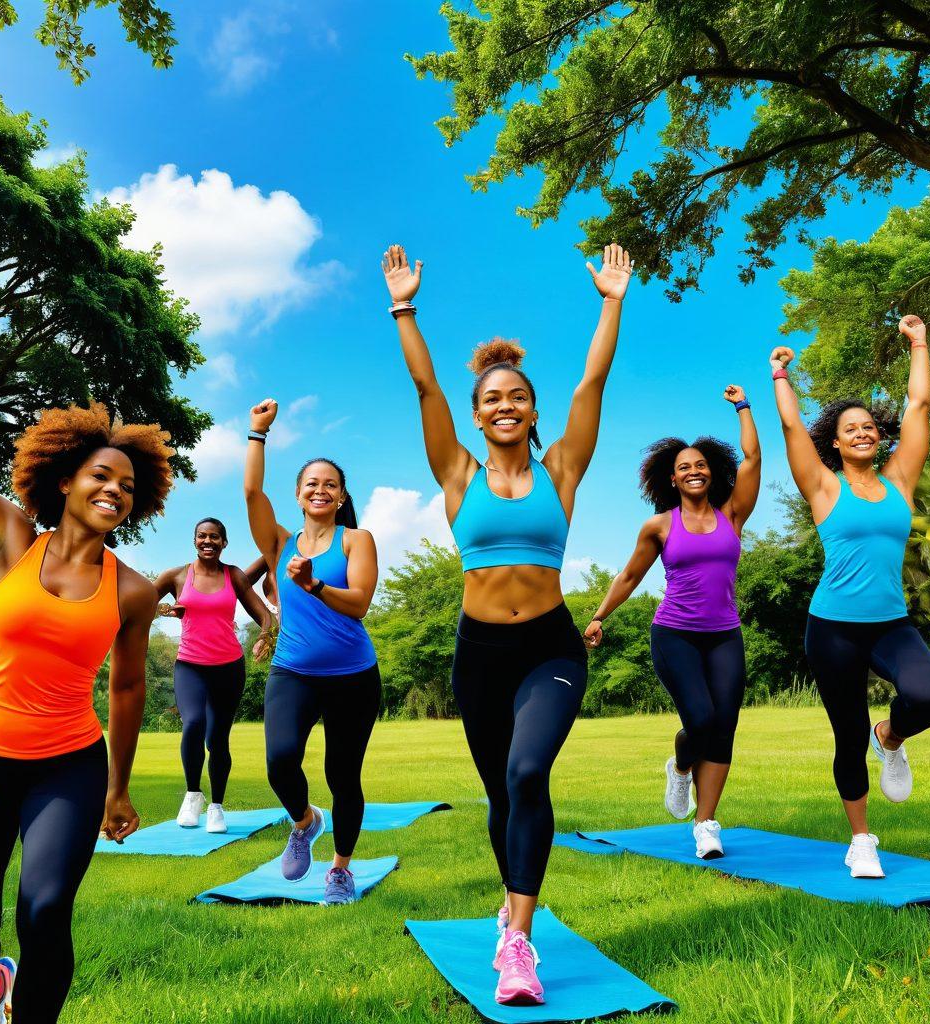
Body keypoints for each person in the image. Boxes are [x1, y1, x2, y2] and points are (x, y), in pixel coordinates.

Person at [381, 242, 631, 1006]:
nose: (503, 406)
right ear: (478, 411)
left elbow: (592, 382)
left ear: (530, 407)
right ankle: (510, 904)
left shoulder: (561, 470)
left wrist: (611, 301)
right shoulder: (457, 474)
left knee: (528, 774)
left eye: (516, 396)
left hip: (549, 646)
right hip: (480, 653)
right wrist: (404, 308)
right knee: (500, 794)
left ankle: (519, 943)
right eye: (490, 398)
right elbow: (426, 386)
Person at [0, 399, 170, 1022]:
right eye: (101, 475)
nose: (114, 490)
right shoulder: (7, 536)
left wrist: (118, 789)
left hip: (66, 767)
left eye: (127, 485)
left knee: (44, 912)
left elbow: (126, 691)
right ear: (66, 479)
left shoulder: (132, 590)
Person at [770, 314, 930, 879]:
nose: (864, 431)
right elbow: (795, 432)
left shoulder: (900, 481)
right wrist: (779, 379)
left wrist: (920, 344)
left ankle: (890, 736)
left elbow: (918, 408)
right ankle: (862, 839)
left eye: (870, 425)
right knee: (846, 734)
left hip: (891, 623)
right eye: (851, 428)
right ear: (837, 442)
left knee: (928, 697)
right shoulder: (823, 486)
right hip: (833, 627)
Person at [584, 387, 761, 858]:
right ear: (673, 478)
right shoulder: (659, 526)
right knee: (700, 720)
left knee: (723, 726)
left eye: (700, 464)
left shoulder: (732, 514)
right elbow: (630, 575)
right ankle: (681, 765)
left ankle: (706, 824)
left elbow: (753, 456)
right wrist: (600, 615)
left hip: (725, 634)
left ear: (711, 471)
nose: (694, 470)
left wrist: (743, 408)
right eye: (684, 466)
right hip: (675, 633)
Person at [244, 428, 380, 907]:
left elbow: (360, 604)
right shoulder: (280, 544)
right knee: (280, 762)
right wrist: (257, 433)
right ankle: (304, 822)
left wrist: (313, 584)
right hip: (293, 672)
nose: (320, 490)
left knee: (344, 776)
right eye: (312, 483)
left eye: (330, 485)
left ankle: (340, 870)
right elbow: (252, 493)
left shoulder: (356, 540)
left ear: (341, 496)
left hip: (353, 676)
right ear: (298, 493)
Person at [154, 519, 274, 833]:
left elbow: (263, 614)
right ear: (194, 540)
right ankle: (193, 795)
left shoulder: (233, 576)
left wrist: (263, 636)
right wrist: (164, 610)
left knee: (217, 739)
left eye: (214, 537)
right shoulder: (177, 576)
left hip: (229, 667)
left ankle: (216, 808)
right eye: (202, 536)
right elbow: (139, 602)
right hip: (190, 666)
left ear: (224, 542)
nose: (208, 541)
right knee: (193, 724)